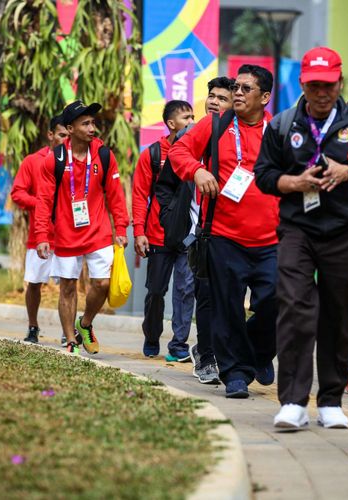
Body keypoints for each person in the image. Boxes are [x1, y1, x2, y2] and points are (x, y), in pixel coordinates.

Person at [254, 47, 348, 429]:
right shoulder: (283, 124)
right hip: (297, 228)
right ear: (303, 83)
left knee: (339, 311)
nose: (322, 93)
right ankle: (293, 401)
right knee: (295, 309)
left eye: (329, 85)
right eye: (315, 85)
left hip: (344, 230)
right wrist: (294, 182)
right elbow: (264, 175)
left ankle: (331, 400)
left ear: (340, 83)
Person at [169, 65, 278, 398]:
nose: (239, 93)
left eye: (247, 88)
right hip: (223, 235)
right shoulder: (216, 124)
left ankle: (257, 352)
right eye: (236, 87)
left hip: (272, 239)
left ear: (265, 96)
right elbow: (179, 151)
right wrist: (197, 171)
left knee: (280, 300)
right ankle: (235, 375)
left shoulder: (279, 129)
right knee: (226, 307)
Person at [155, 78, 235, 384]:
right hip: (201, 231)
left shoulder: (248, 132)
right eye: (211, 96)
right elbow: (166, 182)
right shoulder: (196, 133)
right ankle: (207, 353)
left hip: (239, 232)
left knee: (235, 297)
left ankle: (228, 349)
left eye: (222, 98)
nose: (214, 102)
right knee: (202, 293)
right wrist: (170, 216)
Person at [34, 100, 129, 355]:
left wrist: (121, 228)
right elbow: (43, 200)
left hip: (98, 232)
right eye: (85, 123)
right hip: (66, 234)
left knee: (102, 284)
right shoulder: (53, 159)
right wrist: (42, 235)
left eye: (93, 123)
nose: (92, 128)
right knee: (67, 287)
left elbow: (116, 196)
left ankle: (84, 323)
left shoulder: (104, 155)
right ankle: (70, 341)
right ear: (70, 128)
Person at [133, 100, 195, 361]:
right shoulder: (154, 154)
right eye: (186, 118)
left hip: (187, 236)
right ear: (171, 124)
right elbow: (139, 195)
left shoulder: (198, 152)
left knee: (185, 289)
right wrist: (139, 231)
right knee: (156, 291)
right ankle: (151, 334)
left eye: (194, 117)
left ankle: (179, 344)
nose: (192, 122)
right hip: (157, 234)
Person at [11, 114, 69, 344]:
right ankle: (33, 326)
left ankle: (68, 332)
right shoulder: (33, 161)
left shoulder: (78, 161)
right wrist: (42, 203)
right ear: (50, 135)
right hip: (40, 234)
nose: (65, 139)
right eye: (61, 135)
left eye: (68, 135)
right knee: (34, 283)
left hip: (68, 237)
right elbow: (17, 193)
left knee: (68, 284)